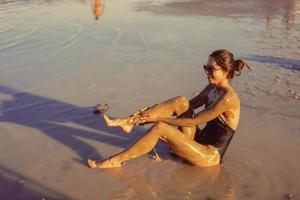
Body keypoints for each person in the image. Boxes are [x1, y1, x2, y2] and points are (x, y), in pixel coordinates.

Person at [88, 49, 250, 168]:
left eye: (211, 69)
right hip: (198, 142)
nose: (207, 72)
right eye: (206, 67)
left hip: (208, 156)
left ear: (226, 71)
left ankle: (114, 161)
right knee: (181, 101)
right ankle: (130, 122)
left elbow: (194, 121)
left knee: (161, 127)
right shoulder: (211, 88)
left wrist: (159, 119)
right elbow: (183, 106)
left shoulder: (228, 98)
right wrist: (146, 115)